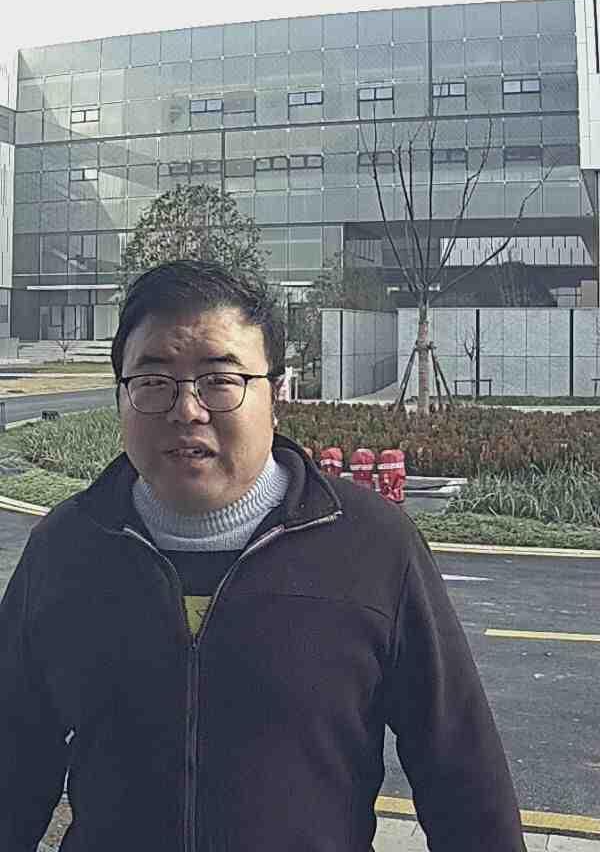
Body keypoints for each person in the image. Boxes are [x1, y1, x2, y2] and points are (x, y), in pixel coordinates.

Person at [0, 259, 526, 852]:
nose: (186, 409)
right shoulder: (68, 548)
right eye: (153, 380)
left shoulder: (372, 545)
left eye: (219, 380)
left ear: (275, 395)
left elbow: (462, 779)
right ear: (122, 394)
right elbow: (12, 764)